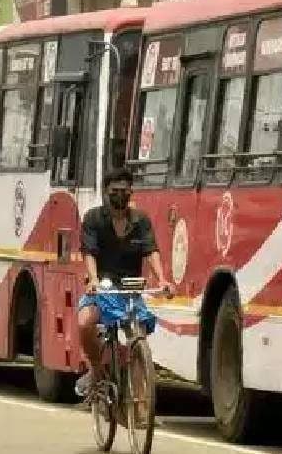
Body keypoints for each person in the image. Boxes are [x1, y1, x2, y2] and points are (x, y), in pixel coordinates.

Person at [75, 168, 172, 397]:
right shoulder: (93, 219)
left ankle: (138, 401)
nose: (119, 195)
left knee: (137, 337)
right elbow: (89, 252)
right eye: (114, 191)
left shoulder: (141, 221)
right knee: (84, 323)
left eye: (124, 191)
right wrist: (94, 280)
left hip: (130, 289)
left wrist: (163, 279)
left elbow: (151, 250)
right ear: (106, 193)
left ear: (131, 192)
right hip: (102, 287)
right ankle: (97, 369)